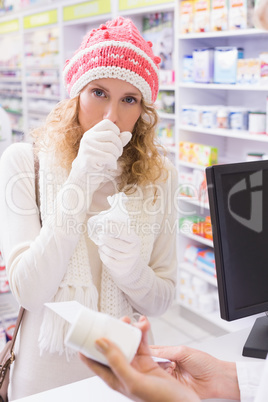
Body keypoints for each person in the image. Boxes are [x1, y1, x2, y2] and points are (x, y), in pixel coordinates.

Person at [0, 16, 178, 399]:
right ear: (75, 94)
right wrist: (80, 179)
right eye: (98, 92)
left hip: (127, 376)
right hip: (43, 381)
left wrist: (132, 271)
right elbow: (29, 291)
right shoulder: (23, 163)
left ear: (142, 112)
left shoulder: (159, 178)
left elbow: (161, 298)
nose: (111, 116)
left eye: (128, 99)